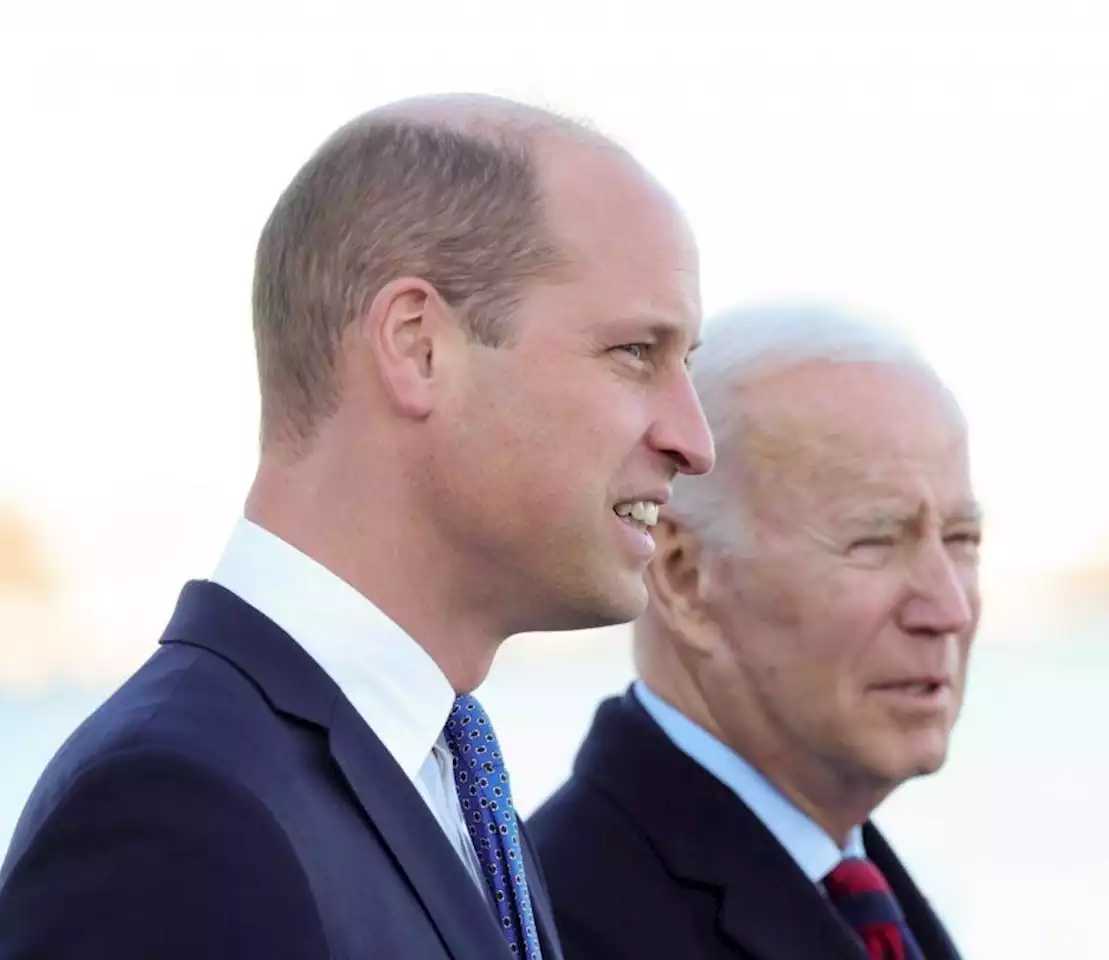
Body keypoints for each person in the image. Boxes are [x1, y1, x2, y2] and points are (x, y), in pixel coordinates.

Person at [0, 93, 713, 960]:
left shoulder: (446, 781)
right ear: (417, 346)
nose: (694, 440)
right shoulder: (179, 808)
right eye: (636, 353)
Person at [528, 303, 979, 960]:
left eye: (963, 539)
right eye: (875, 541)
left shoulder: (855, 886)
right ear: (684, 578)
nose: (947, 608)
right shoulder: (563, 926)